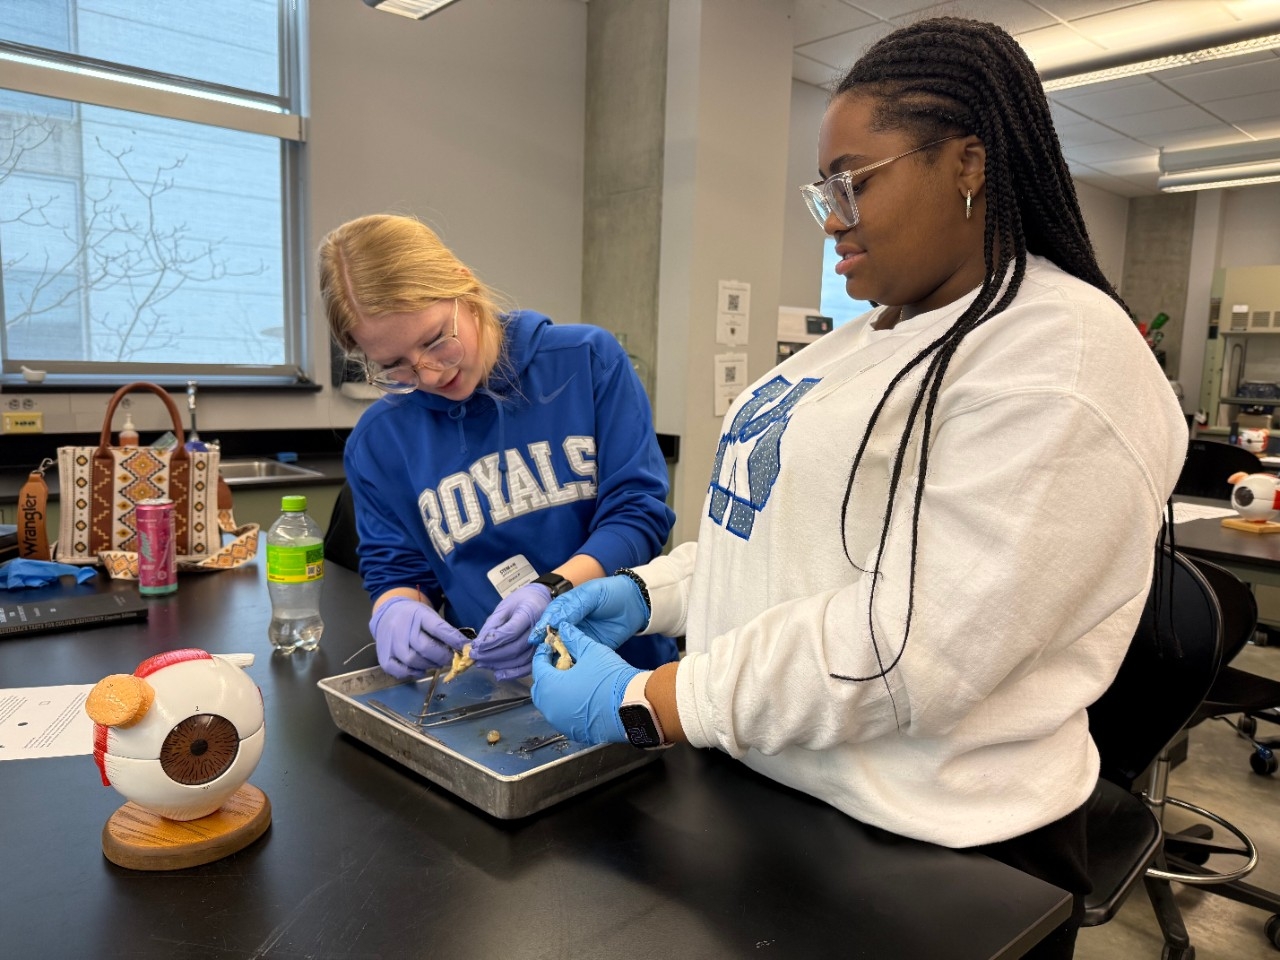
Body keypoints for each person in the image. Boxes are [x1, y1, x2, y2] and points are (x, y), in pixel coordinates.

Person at [527, 17, 1188, 959]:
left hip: (934, 859)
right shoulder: (860, 341)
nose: (832, 216)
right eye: (821, 190)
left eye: (853, 182)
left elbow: (914, 648)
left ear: (967, 163)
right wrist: (651, 592)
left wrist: (653, 704)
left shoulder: (1062, 359)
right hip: (767, 791)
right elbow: (775, 541)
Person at [319, 214, 678, 684]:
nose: (428, 375)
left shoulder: (585, 362)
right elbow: (399, 568)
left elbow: (637, 515)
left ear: (464, 289)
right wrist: (395, 609)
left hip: (628, 671)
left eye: (434, 341)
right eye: (393, 366)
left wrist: (553, 592)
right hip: (496, 687)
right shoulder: (379, 442)